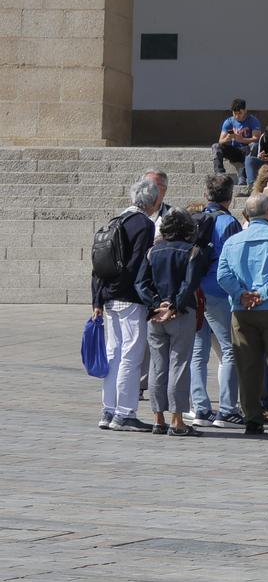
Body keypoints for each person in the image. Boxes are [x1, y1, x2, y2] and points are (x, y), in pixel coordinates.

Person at [217, 192, 268, 436]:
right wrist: (263, 293)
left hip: (243, 311)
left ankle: (252, 418)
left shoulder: (233, 241)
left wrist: (243, 294)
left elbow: (222, 275)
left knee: (248, 366)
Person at [92, 177, 161, 432]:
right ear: (154, 201)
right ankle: (125, 413)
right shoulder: (144, 224)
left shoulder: (116, 220)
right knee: (131, 357)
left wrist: (98, 298)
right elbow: (138, 265)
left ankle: (108, 410)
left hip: (109, 297)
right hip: (130, 298)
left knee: (113, 355)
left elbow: (99, 265)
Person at [134, 206, 203, 438]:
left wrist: (155, 305)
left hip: (155, 316)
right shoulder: (192, 251)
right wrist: (173, 305)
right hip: (181, 314)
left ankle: (158, 418)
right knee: (179, 365)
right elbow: (189, 283)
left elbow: (141, 283)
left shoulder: (152, 252)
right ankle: (178, 421)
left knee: (157, 365)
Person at [190, 174, 243, 428]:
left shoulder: (195, 218)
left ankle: (200, 407)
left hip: (195, 289)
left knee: (198, 351)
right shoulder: (228, 222)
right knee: (229, 349)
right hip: (218, 291)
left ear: (206, 194)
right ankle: (227, 408)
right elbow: (233, 260)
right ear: (230, 196)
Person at [211, 99, 260, 179]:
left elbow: (256, 139)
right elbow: (220, 141)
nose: (237, 116)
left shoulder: (253, 121)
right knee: (216, 146)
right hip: (235, 150)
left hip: (247, 150)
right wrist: (227, 139)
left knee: (255, 146)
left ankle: (244, 175)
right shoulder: (229, 122)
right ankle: (219, 173)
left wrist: (242, 139)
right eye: (235, 113)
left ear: (245, 111)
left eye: (240, 113)